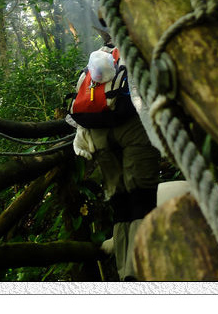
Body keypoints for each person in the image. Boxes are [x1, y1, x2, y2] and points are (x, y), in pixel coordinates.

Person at [67, 28, 163, 281]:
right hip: (132, 131)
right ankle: (141, 271)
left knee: (120, 204)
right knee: (142, 197)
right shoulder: (138, 50)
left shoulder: (96, 58)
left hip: (99, 136)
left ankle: (124, 275)